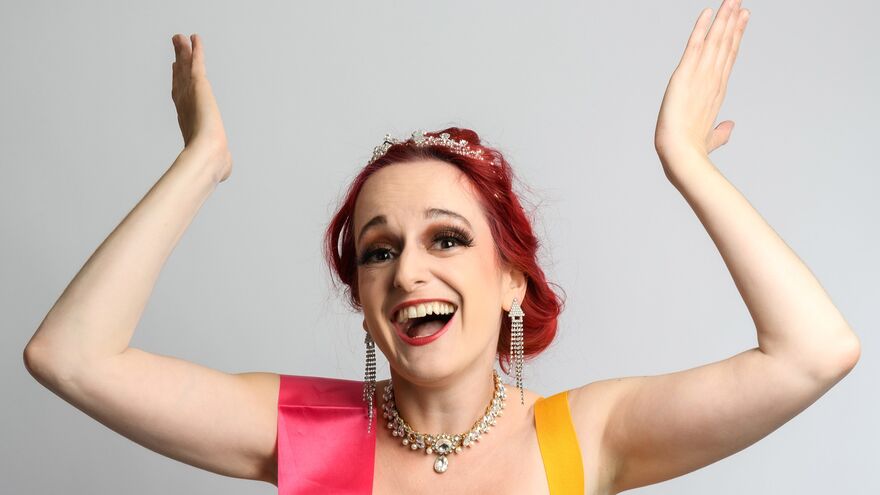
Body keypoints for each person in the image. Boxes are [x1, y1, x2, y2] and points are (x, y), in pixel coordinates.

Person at [22, 0, 861, 493]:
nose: (407, 270)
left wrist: (686, 163)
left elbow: (814, 352)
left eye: (448, 238)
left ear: (511, 282)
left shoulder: (586, 435)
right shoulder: (306, 431)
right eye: (377, 250)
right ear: (363, 295)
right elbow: (70, 356)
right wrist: (200, 165)